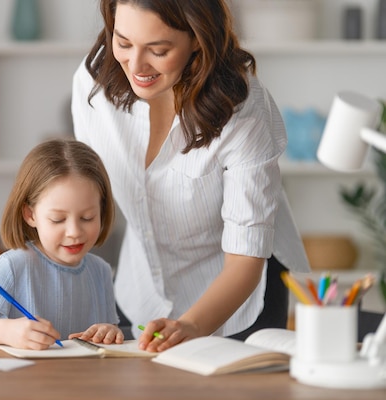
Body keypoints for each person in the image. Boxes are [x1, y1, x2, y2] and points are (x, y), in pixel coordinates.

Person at [71, 0, 310, 353]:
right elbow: (86, 197)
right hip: (142, 290)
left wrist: (192, 325)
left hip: (237, 297)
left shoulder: (243, 111)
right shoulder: (94, 84)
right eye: (123, 42)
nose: (135, 65)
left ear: (198, 39)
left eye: (159, 50)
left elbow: (245, 259)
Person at [0, 138, 123, 350]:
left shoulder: (101, 272)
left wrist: (110, 332)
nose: (74, 232)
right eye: (58, 219)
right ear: (30, 215)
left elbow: (107, 338)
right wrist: (6, 331)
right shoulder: (15, 265)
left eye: (87, 217)